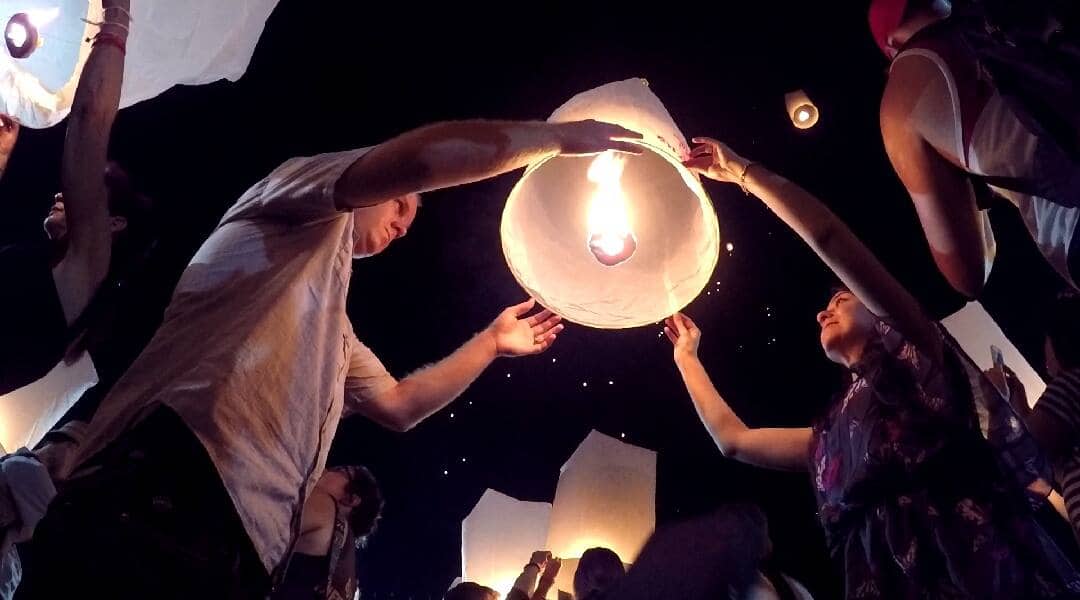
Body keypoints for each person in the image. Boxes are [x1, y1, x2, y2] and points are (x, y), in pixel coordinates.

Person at [16, 117, 640, 598]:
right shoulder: (295, 195)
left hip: (240, 546)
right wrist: (552, 139)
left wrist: (491, 342)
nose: (403, 223)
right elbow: (415, 159)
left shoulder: (331, 329)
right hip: (167, 484)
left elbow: (397, 407)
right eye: (400, 203)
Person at [666, 137, 1080, 598]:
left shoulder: (925, 358)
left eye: (841, 298)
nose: (824, 312)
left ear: (885, 319)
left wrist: (743, 170)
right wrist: (687, 356)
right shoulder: (832, 437)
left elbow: (827, 236)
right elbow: (734, 441)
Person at [873, 0, 1080, 296]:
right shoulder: (992, 15)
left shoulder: (902, 93)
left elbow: (969, 274)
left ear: (891, 45)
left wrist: (966, 184)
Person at [0, 0, 150, 396]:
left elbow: (89, 122)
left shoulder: (84, 278)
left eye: (94, 184)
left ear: (113, 222)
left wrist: (116, 17)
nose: (66, 190)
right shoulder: (49, 272)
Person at [992, 291, 1080, 542]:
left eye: (1046, 340)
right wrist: (1018, 401)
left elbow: (1026, 454)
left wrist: (996, 404)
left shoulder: (1069, 383)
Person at [272, 465, 383, 599]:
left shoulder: (325, 508)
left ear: (351, 499)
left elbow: (263, 518)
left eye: (340, 471)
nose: (325, 470)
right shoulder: (342, 556)